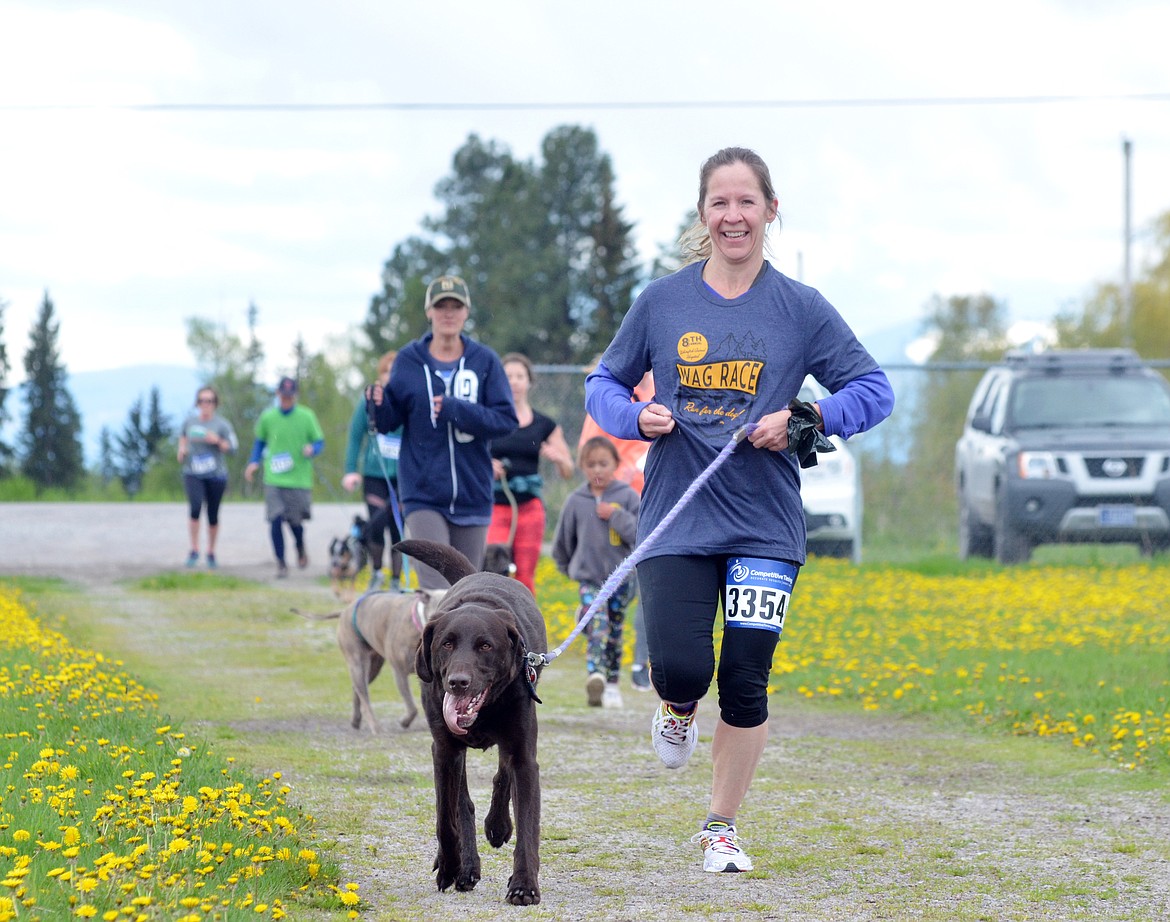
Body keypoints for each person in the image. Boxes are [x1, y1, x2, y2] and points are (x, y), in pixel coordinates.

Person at [585, 146, 894, 873]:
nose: (733, 215)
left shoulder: (800, 308)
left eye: (746, 202)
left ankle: (719, 827)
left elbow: (874, 389)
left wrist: (808, 419)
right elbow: (603, 383)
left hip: (765, 522)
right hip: (677, 517)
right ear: (703, 215)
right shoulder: (663, 302)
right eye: (720, 203)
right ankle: (677, 706)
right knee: (686, 668)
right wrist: (637, 418)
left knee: (747, 674)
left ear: (770, 211)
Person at [369, 275, 517, 590]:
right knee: (436, 591)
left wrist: (457, 410)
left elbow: (506, 420)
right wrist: (378, 406)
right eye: (441, 306)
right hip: (422, 494)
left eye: (455, 306)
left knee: (465, 590)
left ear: (466, 312)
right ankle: (423, 640)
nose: (448, 313)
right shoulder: (408, 360)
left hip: (472, 493)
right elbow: (388, 421)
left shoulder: (485, 361)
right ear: (429, 312)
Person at [579, 366, 655, 691]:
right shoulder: (609, 392)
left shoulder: (668, 384)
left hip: (658, 501)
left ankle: (643, 662)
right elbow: (590, 451)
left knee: (651, 585)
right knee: (609, 589)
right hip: (614, 507)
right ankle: (597, 650)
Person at [551, 436, 640, 710]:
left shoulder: (626, 497)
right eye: (591, 465)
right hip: (590, 580)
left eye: (603, 464)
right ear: (582, 467)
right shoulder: (576, 500)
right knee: (598, 625)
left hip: (622, 579)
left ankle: (612, 684)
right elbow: (563, 542)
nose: (597, 470)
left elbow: (640, 534)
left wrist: (614, 515)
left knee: (614, 630)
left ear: (615, 464)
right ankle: (595, 676)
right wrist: (570, 568)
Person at [487, 352, 575, 594]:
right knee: (494, 570)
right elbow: (470, 458)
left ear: (529, 382)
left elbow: (568, 470)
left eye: (520, 376)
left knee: (525, 575)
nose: (514, 381)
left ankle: (526, 629)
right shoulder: (489, 419)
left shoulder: (545, 424)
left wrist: (558, 458)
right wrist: (485, 466)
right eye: (508, 376)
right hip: (495, 506)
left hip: (529, 509)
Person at [244, 376, 326, 579]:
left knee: (295, 522)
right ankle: (281, 562)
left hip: (298, 479)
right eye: (283, 395)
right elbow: (259, 442)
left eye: (290, 396)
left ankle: (300, 546)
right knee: (275, 519)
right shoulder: (268, 417)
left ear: (295, 396)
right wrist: (253, 462)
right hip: (274, 478)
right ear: (278, 394)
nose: (286, 399)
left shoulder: (306, 416)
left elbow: (319, 441)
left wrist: (312, 449)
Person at [343, 350, 405, 591]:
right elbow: (355, 436)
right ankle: (377, 572)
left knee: (397, 527)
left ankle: (397, 580)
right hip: (374, 474)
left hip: (402, 477)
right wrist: (350, 470)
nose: (392, 375)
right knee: (377, 522)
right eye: (388, 370)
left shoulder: (407, 400)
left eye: (396, 371)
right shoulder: (367, 400)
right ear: (381, 374)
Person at [176, 386, 238, 569]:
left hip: (216, 474)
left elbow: (233, 448)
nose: (205, 404)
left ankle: (211, 551)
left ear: (215, 404)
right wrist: (181, 451)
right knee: (195, 509)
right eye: (202, 400)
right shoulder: (189, 422)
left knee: (212, 514)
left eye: (209, 401)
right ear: (197, 403)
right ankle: (194, 549)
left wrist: (217, 441)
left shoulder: (222, 425)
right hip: (193, 472)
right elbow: (182, 441)